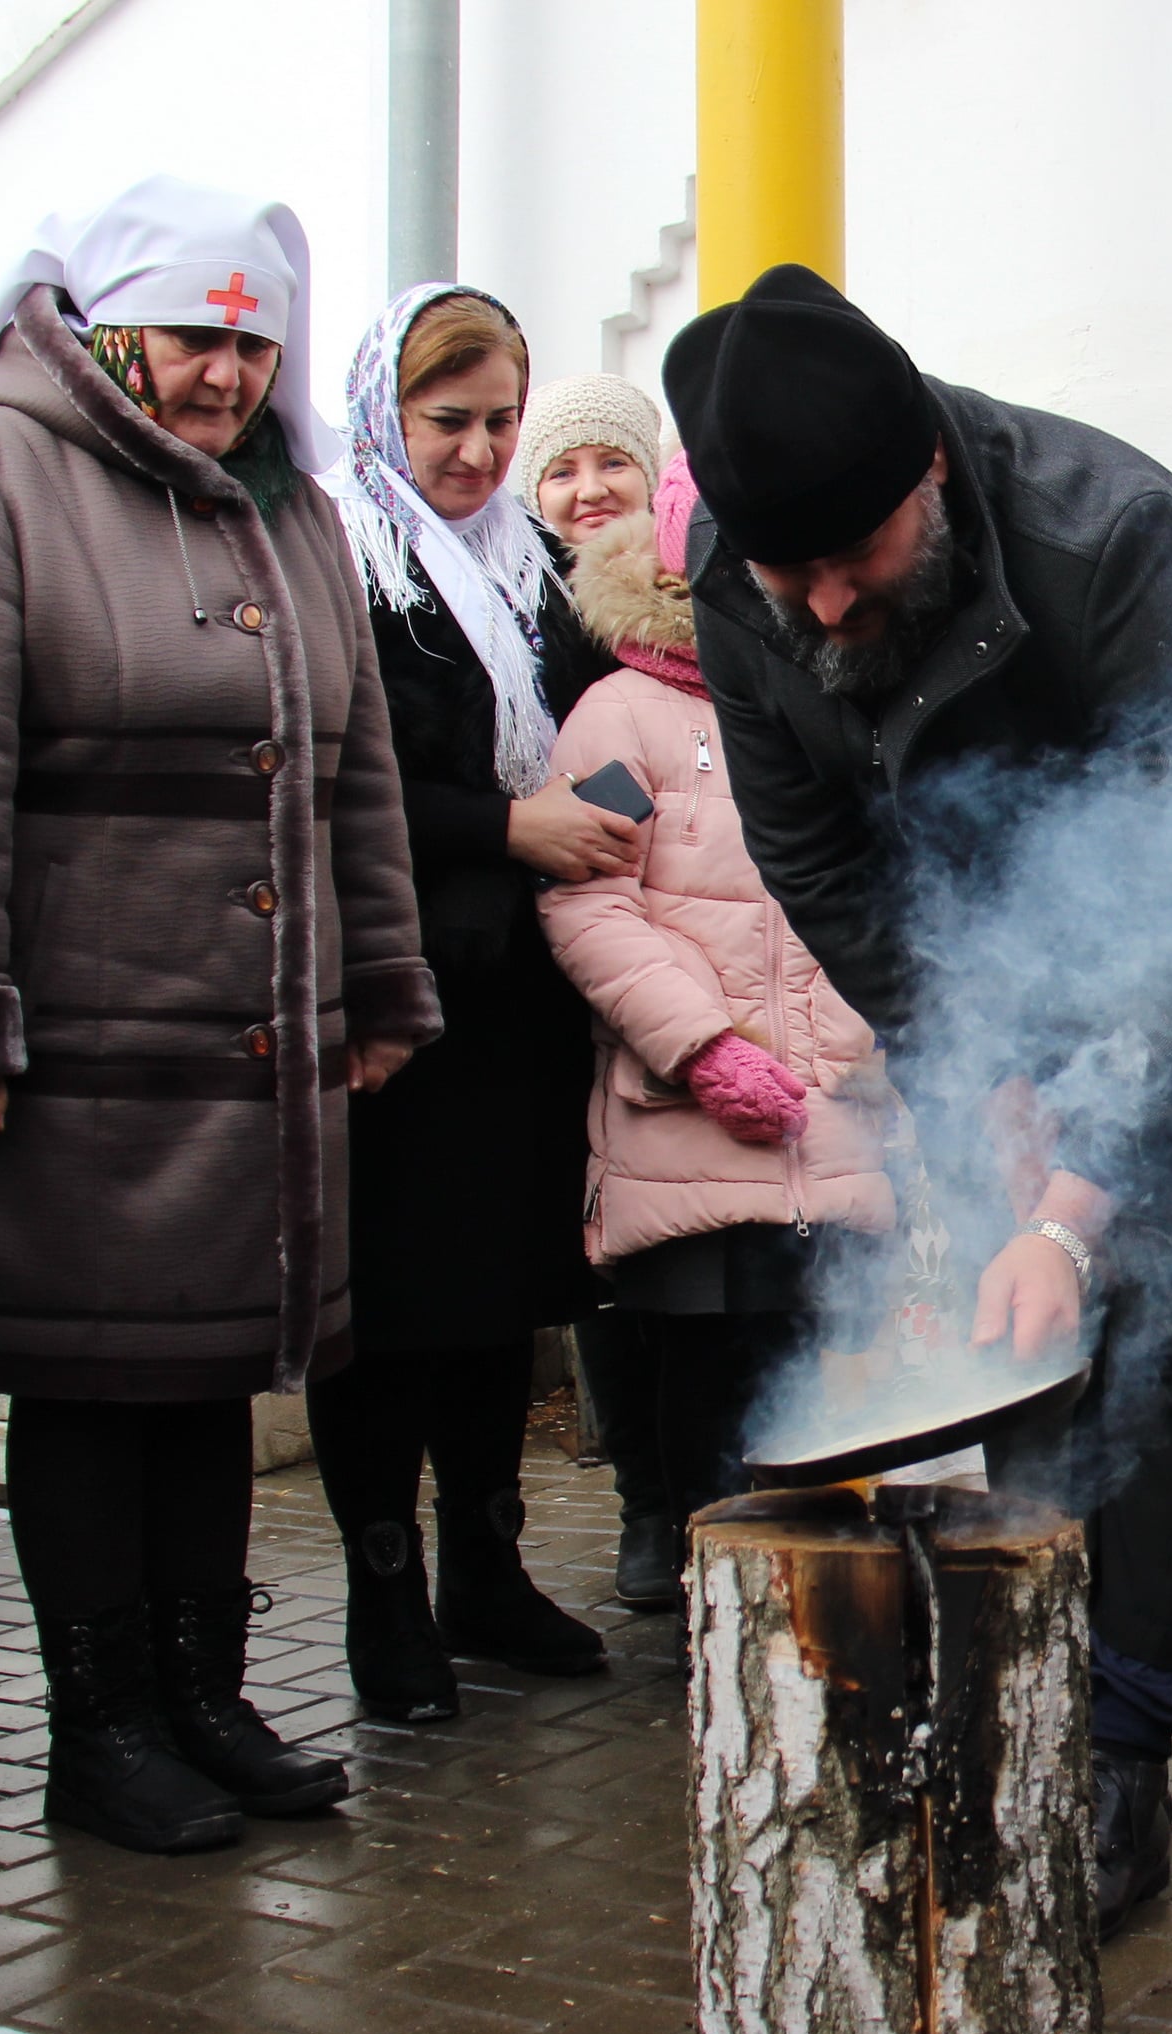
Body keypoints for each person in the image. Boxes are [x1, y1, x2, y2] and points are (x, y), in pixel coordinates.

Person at [661, 268, 1172, 1933]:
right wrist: (965, 1062)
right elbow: (819, 857)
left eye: (856, 563)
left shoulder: (1113, 543)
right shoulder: (741, 579)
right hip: (1001, 995)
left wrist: (1075, 1194)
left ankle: (1122, 1745)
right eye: (789, 577)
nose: (821, 610)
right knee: (1037, 1366)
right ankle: (1040, 1699)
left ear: (924, 473)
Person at [0, 179, 441, 1855]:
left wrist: (381, 975)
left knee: (202, 1388)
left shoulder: (294, 512)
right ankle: (96, 1730)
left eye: (250, 348)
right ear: (108, 330)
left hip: (248, 1062)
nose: (221, 379)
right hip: (77, 1059)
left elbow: (355, 773)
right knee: (92, 1393)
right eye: (189, 340)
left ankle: (203, 1694)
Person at [310, 286, 622, 1722]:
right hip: (400, 986)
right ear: (387, 413)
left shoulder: (535, 565)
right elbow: (333, 777)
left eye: (503, 419)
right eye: (451, 422)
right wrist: (510, 829)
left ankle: (484, 1569)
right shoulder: (339, 559)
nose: (484, 451)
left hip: (524, 998)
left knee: (498, 1299)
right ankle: (386, 1595)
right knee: (390, 1309)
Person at [540, 454, 894, 1590]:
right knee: (700, 1364)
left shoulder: (835, 699)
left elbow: (880, 886)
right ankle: (705, 1584)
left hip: (830, 1112)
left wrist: (875, 1032)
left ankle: (810, 1598)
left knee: (812, 1364)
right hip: (691, 1111)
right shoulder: (620, 717)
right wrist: (703, 1043)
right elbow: (591, 898)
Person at [509, 372, 675, 1606]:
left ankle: (691, 1501)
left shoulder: (674, 607)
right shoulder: (513, 600)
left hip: (672, 939)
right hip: (542, 953)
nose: (585, 489)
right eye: (560, 470)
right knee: (602, 1251)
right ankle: (644, 1495)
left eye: (609, 463)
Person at [514, 369, 660, 549]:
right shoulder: (500, 575)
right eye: (562, 474)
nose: (591, 492)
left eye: (613, 464)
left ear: (651, 478)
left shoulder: (695, 567)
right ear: (534, 498)